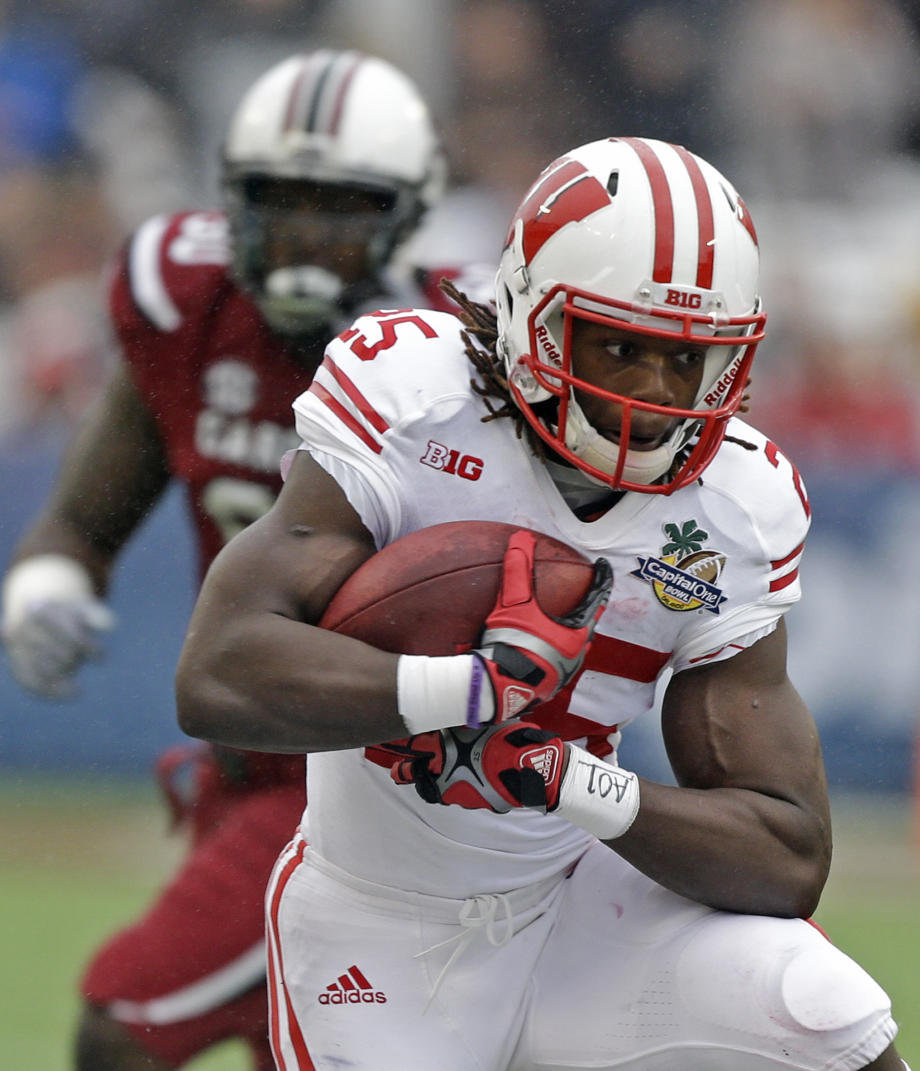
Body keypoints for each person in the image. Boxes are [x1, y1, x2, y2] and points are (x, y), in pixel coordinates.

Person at [175, 136, 909, 1071]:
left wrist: (561, 776)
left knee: (822, 1010)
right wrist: (465, 694)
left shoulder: (736, 506)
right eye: (618, 346)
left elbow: (786, 854)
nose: (650, 395)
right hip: (378, 924)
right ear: (528, 312)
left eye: (686, 361)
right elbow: (218, 672)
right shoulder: (413, 401)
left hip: (573, 906)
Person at [0, 49, 480, 1071]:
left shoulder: (451, 362)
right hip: (249, 765)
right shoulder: (188, 305)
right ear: (231, 202)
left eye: (340, 208)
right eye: (280, 202)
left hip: (373, 776)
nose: (305, 237)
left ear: (406, 211)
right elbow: (84, 519)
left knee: (123, 1023)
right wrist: (49, 587)